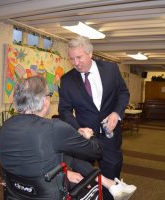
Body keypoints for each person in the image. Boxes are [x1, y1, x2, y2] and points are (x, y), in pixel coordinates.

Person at [0, 76, 136, 199]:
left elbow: (26, 159)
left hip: (15, 190)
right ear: (45, 101)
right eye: (49, 94)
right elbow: (97, 151)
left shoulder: (7, 126)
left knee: (65, 151)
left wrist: (67, 173)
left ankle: (110, 184)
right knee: (72, 151)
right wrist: (88, 136)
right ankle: (111, 184)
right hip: (48, 192)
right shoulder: (54, 127)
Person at [58, 36, 130, 199]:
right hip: (84, 139)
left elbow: (123, 93)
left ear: (90, 53)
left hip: (110, 137)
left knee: (111, 182)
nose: (75, 63)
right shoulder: (67, 80)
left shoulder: (111, 69)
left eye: (79, 57)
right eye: (71, 59)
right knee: (81, 181)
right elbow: (64, 110)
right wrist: (78, 128)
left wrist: (116, 113)